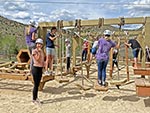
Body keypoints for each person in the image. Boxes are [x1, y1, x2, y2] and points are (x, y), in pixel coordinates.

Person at [31, 38, 44, 104]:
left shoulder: (41, 51)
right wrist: (39, 52)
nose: (39, 45)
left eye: (40, 44)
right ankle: (34, 99)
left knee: (38, 84)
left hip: (40, 68)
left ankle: (36, 98)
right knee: (36, 85)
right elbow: (37, 59)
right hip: (35, 68)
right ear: (36, 44)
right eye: (38, 44)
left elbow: (42, 60)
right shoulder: (34, 51)